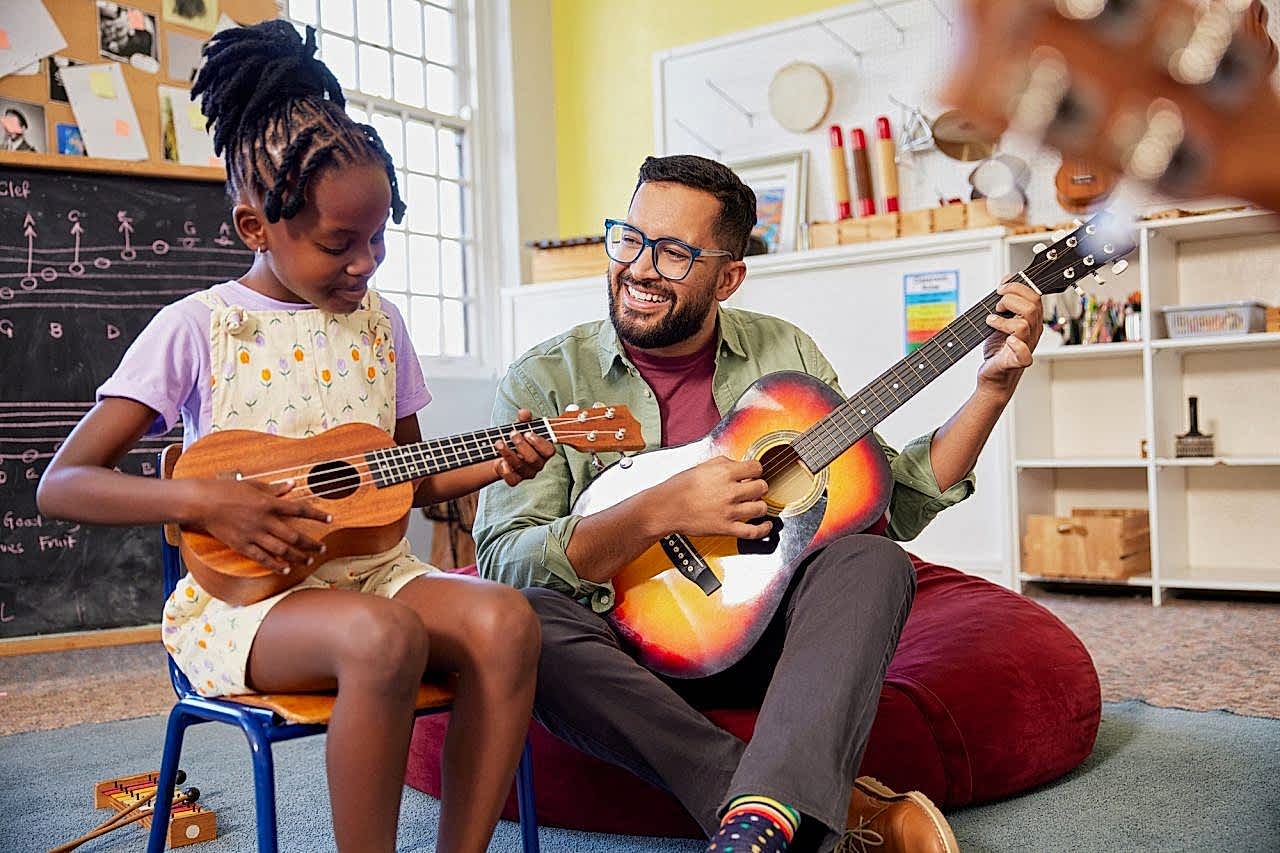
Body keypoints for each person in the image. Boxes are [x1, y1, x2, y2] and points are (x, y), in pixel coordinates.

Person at [37, 22, 555, 853]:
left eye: (380, 237)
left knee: (507, 620)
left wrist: (500, 459)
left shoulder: (383, 326)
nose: (366, 263)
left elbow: (407, 478)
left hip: (377, 574)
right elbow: (63, 482)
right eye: (338, 244)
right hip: (253, 606)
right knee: (383, 639)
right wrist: (207, 500)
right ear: (255, 225)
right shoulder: (198, 328)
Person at [474, 154, 1045, 853]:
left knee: (872, 559)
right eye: (630, 238)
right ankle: (777, 815)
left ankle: (761, 821)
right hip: (615, 647)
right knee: (519, 621)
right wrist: (659, 510)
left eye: (676, 253)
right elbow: (505, 561)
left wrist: (990, 392)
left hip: (760, 627)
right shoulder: (544, 377)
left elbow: (892, 498)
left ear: (729, 276)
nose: (641, 267)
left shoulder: (783, 353)